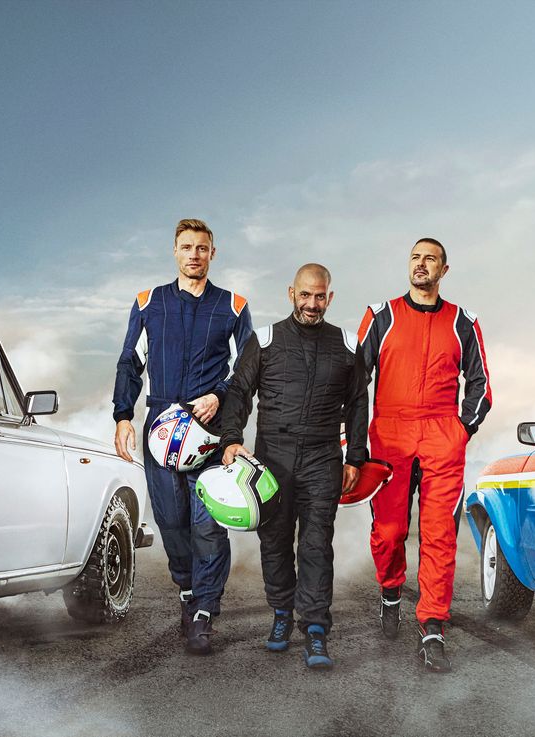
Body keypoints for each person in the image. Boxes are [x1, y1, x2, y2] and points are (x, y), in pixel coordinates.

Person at [112, 218, 253, 655]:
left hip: (208, 430)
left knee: (207, 525)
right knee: (171, 522)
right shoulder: (148, 302)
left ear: (213, 253)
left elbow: (246, 371)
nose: (194, 254)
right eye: (187, 247)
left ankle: (205, 613)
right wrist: (123, 416)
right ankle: (189, 593)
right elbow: (129, 362)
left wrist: (219, 395)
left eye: (202, 248)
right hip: (160, 428)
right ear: (175, 252)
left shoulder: (232, 306)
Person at [220, 263, 368, 670]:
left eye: (320, 296)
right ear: (291, 293)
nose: (312, 304)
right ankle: (282, 614)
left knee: (317, 542)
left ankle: (316, 629)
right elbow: (239, 392)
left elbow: (358, 404)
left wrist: (356, 455)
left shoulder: (347, 346)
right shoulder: (265, 340)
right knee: (276, 539)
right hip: (274, 459)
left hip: (323, 457)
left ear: (330, 297)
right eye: (305, 295)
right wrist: (232, 438)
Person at [355, 238, 491, 673]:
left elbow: (481, 384)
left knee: (439, 535)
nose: (420, 264)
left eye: (430, 258)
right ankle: (391, 590)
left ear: (443, 270)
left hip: (441, 435)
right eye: (415, 257)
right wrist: (356, 440)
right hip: (390, 435)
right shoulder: (381, 316)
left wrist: (460, 429)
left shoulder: (462, 322)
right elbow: (355, 382)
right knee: (390, 531)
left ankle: (433, 625)